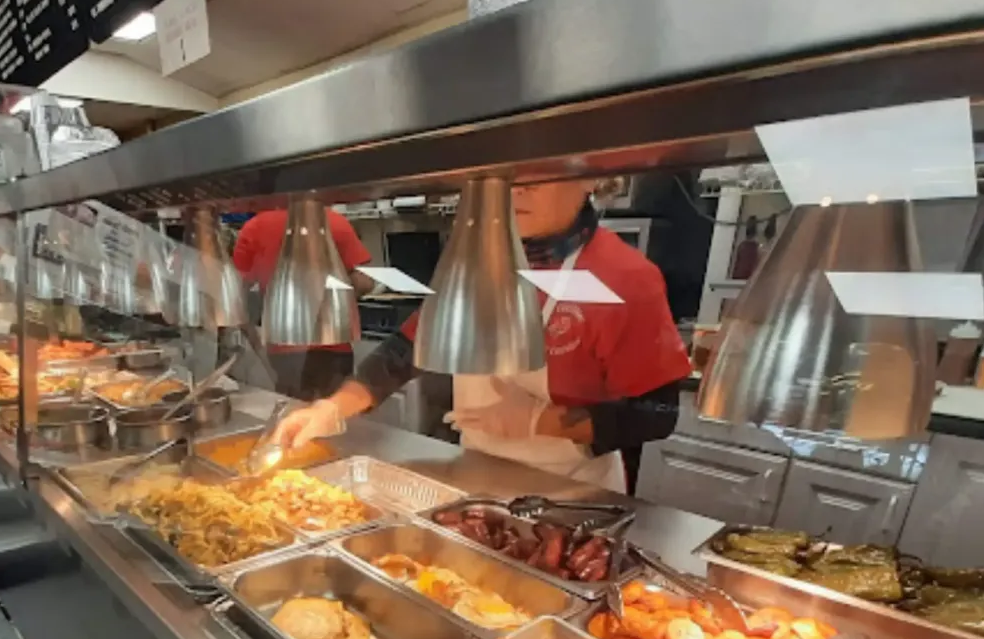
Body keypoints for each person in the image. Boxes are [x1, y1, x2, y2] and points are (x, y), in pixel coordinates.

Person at [272, 179, 692, 493]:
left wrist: (539, 421)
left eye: (543, 167)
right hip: (474, 477)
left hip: (571, 493)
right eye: (508, 170)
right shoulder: (477, 263)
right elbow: (403, 353)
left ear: (591, 177)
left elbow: (656, 412)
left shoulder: (627, 278)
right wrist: (332, 408)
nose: (519, 186)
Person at [233, 208, 377, 401]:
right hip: (334, 346)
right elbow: (366, 281)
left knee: (295, 418)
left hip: (282, 350)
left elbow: (234, 300)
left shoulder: (254, 228)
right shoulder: (335, 221)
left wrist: (259, 349)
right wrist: (335, 295)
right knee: (334, 417)